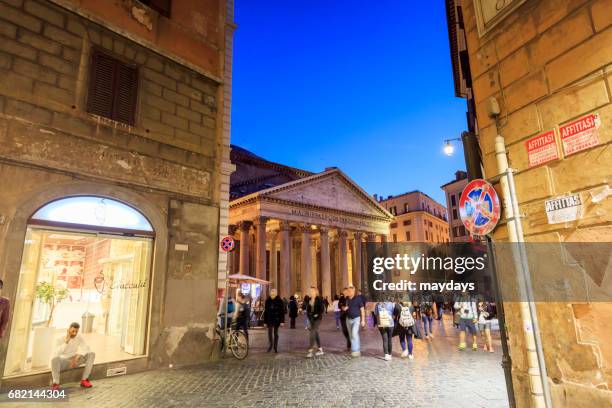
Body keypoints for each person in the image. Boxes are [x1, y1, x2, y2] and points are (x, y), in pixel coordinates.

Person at [50, 322, 95, 390]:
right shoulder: (59, 339)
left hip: (76, 360)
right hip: (65, 361)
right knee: (54, 359)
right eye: (73, 331)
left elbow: (86, 348)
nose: (75, 333)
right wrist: (66, 342)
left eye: (76, 331)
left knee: (91, 354)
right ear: (68, 330)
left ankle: (84, 380)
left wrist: (79, 355)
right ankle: (56, 383)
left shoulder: (79, 337)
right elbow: (56, 353)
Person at [343, 285, 365, 357]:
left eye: (351, 291)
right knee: (351, 335)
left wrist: (363, 320)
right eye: (348, 291)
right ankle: (354, 349)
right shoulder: (347, 299)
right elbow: (344, 307)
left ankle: (356, 350)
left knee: (354, 333)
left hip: (356, 318)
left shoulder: (358, 298)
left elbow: (362, 309)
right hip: (348, 319)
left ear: (354, 291)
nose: (349, 292)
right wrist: (344, 308)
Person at [306, 287, 325, 358]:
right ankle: (320, 349)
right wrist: (308, 316)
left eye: (312, 291)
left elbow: (322, 309)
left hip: (317, 319)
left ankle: (310, 350)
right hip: (311, 319)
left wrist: (317, 314)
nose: (311, 292)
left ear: (316, 292)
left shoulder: (319, 300)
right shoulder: (309, 300)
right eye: (310, 291)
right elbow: (308, 310)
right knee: (315, 333)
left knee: (312, 332)